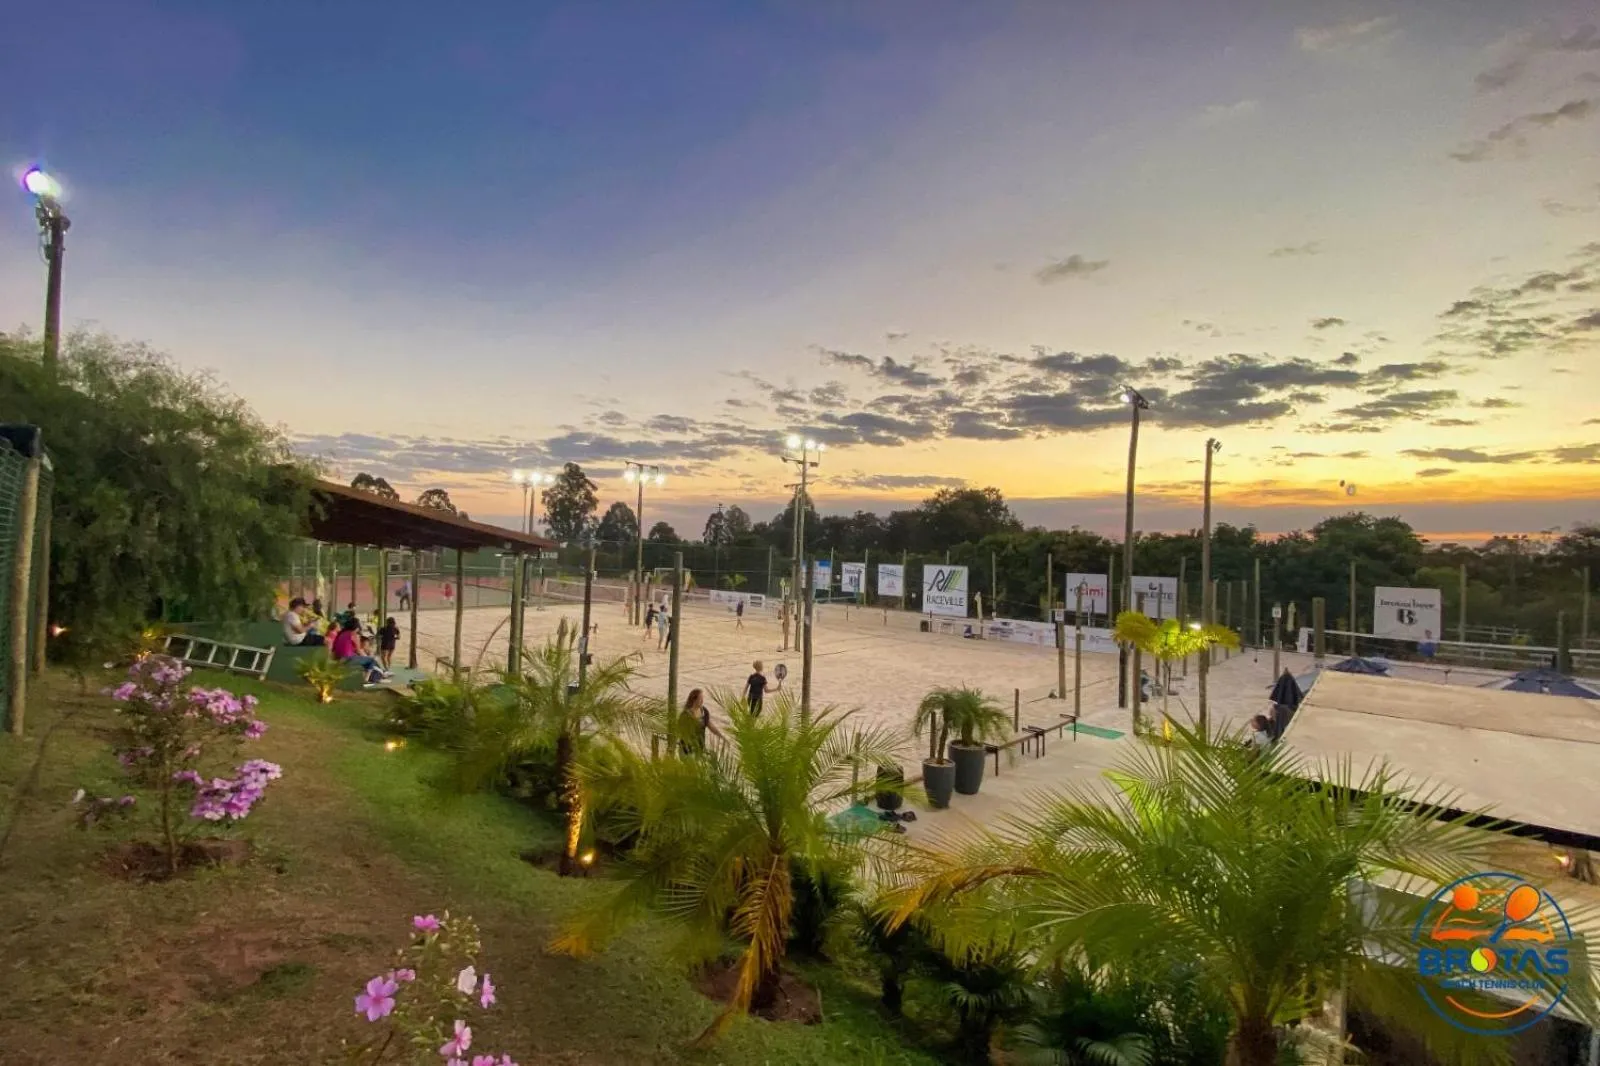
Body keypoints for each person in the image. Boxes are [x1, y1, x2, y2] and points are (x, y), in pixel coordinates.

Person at [331, 616, 389, 684]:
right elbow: (359, 650)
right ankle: (366, 679)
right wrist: (368, 657)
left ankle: (378, 674)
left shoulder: (340, 634)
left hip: (339, 658)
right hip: (348, 659)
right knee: (372, 660)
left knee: (367, 660)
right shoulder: (354, 634)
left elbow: (334, 649)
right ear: (357, 628)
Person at [679, 688, 722, 754]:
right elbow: (682, 732)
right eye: (700, 699)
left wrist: (721, 736)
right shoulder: (685, 715)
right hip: (687, 749)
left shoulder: (704, 711)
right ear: (694, 699)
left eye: (702, 698)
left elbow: (710, 725)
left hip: (700, 748)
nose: (702, 701)